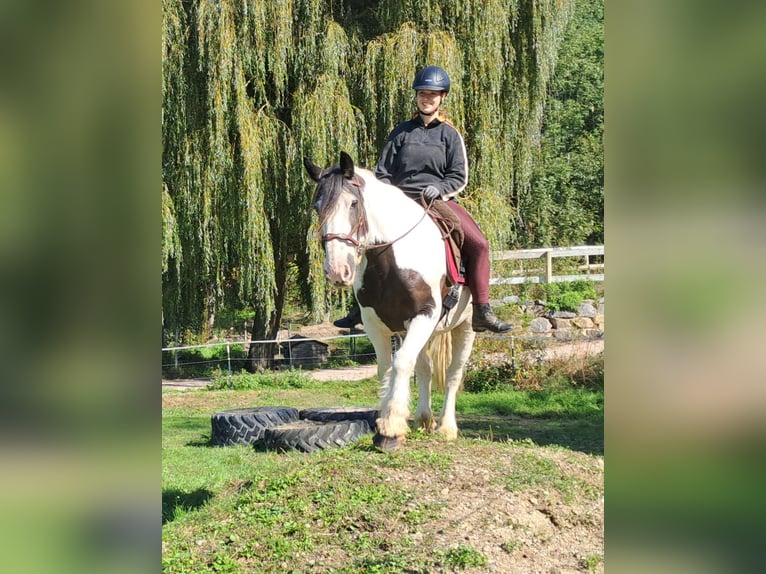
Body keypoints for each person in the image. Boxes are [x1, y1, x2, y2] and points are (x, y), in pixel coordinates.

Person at [334, 65, 512, 333]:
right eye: (422, 94)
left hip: (437, 201)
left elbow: (459, 175)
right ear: (416, 97)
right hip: (399, 202)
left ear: (442, 98)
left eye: (432, 94)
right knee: (363, 237)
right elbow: (382, 172)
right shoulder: (401, 133)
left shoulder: (449, 135)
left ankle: (482, 309)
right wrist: (394, 195)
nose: (426, 99)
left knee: (480, 244)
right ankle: (360, 306)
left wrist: (439, 188)